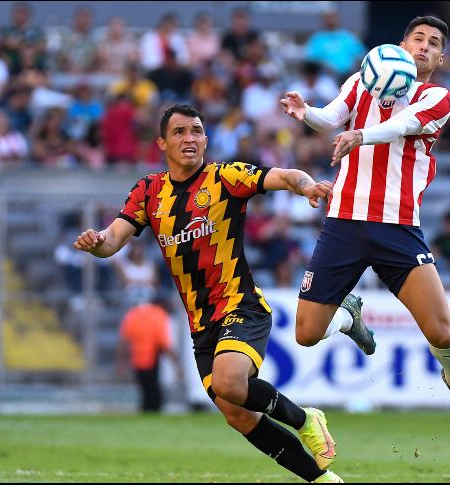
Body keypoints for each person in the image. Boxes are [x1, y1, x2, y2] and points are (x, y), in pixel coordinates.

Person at [73, 104, 343, 483]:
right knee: (238, 415)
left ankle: (305, 418)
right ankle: (323, 480)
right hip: (201, 324)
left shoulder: (224, 177)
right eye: (181, 132)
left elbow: (283, 175)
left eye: (197, 131)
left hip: (241, 306)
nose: (190, 139)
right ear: (162, 142)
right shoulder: (149, 191)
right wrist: (96, 241)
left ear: (206, 139)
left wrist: (307, 185)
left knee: (230, 383)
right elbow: (112, 241)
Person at [280, 16, 450, 428]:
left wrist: (361, 135)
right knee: (306, 332)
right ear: (403, 43)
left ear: (441, 58)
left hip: (397, 227)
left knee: (441, 333)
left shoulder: (437, 97)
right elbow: (332, 116)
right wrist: (306, 112)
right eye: (418, 38)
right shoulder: (363, 79)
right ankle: (349, 317)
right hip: (344, 220)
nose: (425, 46)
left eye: (433, 43)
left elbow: (403, 125)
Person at [117, 294, 183, 412]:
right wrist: (176, 365)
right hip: (152, 357)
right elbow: (164, 343)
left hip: (136, 358)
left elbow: (124, 340)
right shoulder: (159, 315)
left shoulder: (133, 313)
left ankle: (145, 410)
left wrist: (121, 364)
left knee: (144, 389)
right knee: (153, 391)